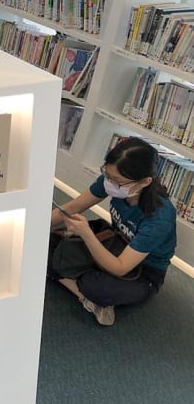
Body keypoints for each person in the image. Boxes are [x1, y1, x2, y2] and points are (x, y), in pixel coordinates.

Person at [48, 137, 177, 326]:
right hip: (113, 242)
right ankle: (85, 293)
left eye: (116, 181)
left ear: (144, 182)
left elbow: (120, 267)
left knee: (97, 287)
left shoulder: (160, 217)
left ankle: (83, 290)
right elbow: (74, 206)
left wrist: (86, 234)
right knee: (45, 243)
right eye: (106, 174)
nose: (108, 182)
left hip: (144, 271)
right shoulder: (114, 179)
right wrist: (34, 227)